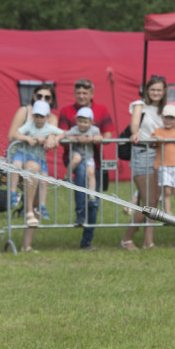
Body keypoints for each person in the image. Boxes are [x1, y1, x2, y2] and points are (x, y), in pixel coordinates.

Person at [58, 78, 115, 249]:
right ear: (75, 93)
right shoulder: (66, 111)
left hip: (94, 159)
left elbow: (109, 136)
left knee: (94, 200)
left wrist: (98, 139)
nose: (81, 96)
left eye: (85, 93)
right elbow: (62, 137)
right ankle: (80, 213)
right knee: (81, 169)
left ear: (91, 94)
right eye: (78, 93)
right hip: (74, 156)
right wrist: (75, 138)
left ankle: (86, 240)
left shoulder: (102, 110)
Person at [120, 75, 167, 251]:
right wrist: (135, 133)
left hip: (159, 154)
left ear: (164, 92)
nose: (156, 93)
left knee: (154, 201)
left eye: (159, 90)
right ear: (147, 90)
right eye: (153, 89)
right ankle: (127, 239)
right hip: (142, 153)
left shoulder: (164, 110)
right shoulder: (139, 105)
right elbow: (134, 125)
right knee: (147, 202)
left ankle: (149, 242)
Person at [10, 100, 64, 250]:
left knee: (45, 181)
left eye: (42, 116)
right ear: (33, 116)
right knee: (15, 166)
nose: (39, 119)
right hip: (24, 155)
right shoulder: (30, 125)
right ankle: (13, 193)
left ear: (47, 117)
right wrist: (29, 139)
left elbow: (62, 133)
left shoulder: (49, 128)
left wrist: (54, 139)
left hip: (39, 159)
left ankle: (41, 206)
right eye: (37, 116)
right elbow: (15, 134)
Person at [7, 83, 59, 216]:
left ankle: (34, 212)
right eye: (39, 95)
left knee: (40, 190)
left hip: (37, 157)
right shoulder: (24, 111)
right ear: (34, 96)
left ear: (52, 100)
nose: (42, 99)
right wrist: (32, 139)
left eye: (47, 97)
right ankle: (28, 210)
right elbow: (11, 137)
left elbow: (53, 136)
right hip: (18, 156)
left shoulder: (52, 118)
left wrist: (53, 139)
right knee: (33, 168)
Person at [64, 106, 102, 224]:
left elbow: (100, 137)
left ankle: (92, 196)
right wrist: (75, 138)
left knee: (91, 173)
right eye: (80, 121)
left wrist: (95, 138)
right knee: (76, 158)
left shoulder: (94, 130)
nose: (83, 124)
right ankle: (68, 177)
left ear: (91, 122)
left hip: (88, 157)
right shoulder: (74, 129)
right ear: (76, 120)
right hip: (76, 153)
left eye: (85, 122)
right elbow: (66, 136)